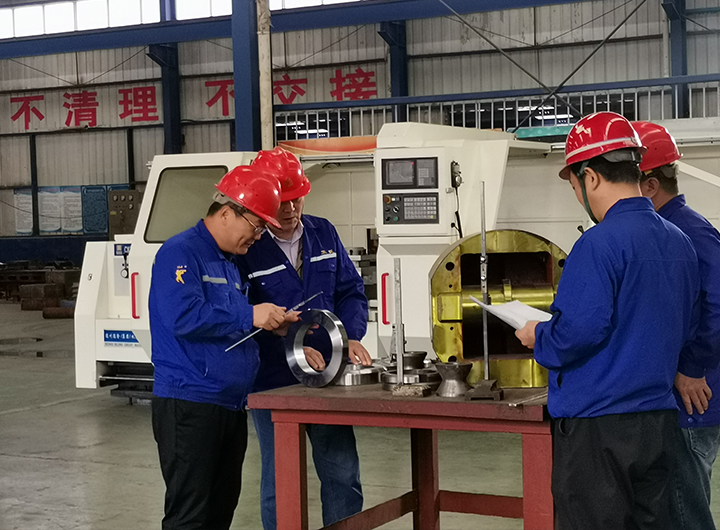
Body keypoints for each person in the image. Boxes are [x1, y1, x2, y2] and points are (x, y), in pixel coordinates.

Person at [515, 112, 700, 530]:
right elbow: (687, 327)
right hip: (659, 424)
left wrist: (539, 334)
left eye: (574, 185)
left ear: (591, 177)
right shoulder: (680, 242)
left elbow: (578, 332)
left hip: (599, 433)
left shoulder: (598, 245)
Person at [149, 165, 298, 530]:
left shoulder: (229, 262)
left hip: (229, 404)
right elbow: (183, 317)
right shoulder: (181, 253)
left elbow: (226, 327)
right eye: (257, 226)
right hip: (190, 403)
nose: (258, 237)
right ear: (228, 212)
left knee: (219, 511)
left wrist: (269, 327)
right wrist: (250, 314)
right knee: (190, 516)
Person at [235, 147, 371, 530]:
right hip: (273, 381)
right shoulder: (247, 247)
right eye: (282, 201)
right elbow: (242, 316)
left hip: (329, 376)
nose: (291, 208)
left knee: (342, 472)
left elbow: (350, 291)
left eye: (297, 198)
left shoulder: (322, 232)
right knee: (280, 481)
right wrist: (291, 346)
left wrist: (351, 336)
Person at [634, 120, 720, 530]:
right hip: (672, 396)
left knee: (686, 512)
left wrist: (692, 366)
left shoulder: (688, 232)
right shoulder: (662, 231)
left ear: (650, 185)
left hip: (691, 398)